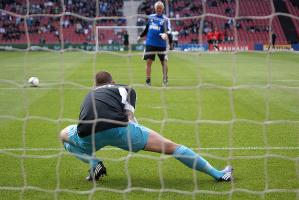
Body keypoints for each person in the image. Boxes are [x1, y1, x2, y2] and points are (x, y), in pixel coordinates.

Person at [59, 71, 234, 182]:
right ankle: (218, 174)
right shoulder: (123, 88)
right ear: (113, 80)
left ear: (95, 85)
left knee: (64, 136)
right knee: (171, 147)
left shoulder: (89, 94)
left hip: (87, 133)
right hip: (120, 129)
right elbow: (129, 116)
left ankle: (94, 163)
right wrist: (138, 135)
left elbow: (84, 117)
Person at [137, 1, 171, 86]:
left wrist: (166, 34)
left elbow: (169, 31)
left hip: (161, 44)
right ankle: (148, 81)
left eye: (160, 7)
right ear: (155, 8)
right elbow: (147, 28)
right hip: (150, 44)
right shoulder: (150, 17)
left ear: (163, 9)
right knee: (148, 62)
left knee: (164, 62)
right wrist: (141, 36)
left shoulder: (166, 19)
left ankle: (165, 79)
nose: (159, 9)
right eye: (157, 7)